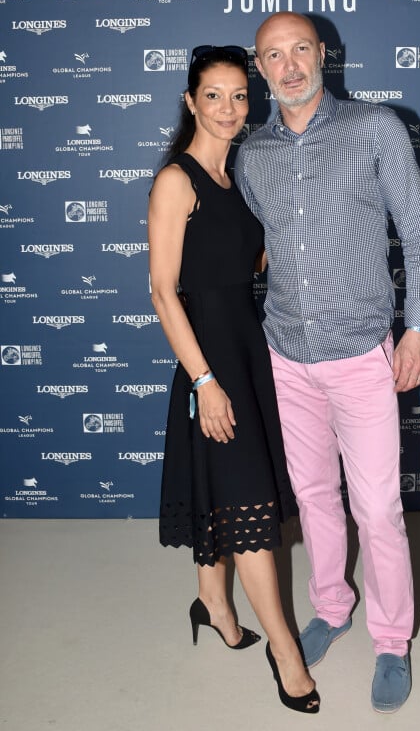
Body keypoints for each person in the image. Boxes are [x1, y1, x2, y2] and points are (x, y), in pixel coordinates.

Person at [235, 13, 420, 714]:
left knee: (379, 507)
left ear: (323, 54)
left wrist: (418, 325)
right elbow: (258, 246)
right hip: (285, 355)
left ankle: (391, 640)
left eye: (301, 48)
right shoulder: (252, 155)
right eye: (275, 54)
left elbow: (419, 235)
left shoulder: (376, 128)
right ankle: (331, 606)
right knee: (313, 499)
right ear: (259, 67)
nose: (290, 64)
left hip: (362, 353)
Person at [147, 44, 320, 714]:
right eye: (213, 95)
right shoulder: (177, 181)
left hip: (250, 353)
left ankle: (213, 603)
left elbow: (250, 257)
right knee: (248, 508)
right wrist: (204, 381)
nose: (228, 108)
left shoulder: (238, 178)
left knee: (226, 492)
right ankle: (284, 648)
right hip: (211, 365)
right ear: (191, 101)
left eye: (239, 95)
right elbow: (164, 293)